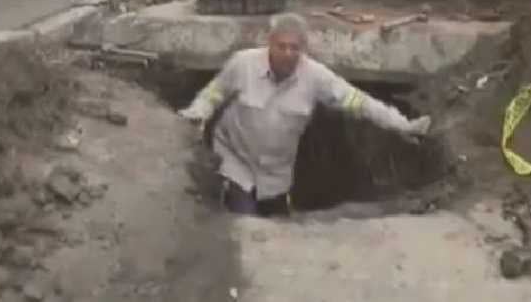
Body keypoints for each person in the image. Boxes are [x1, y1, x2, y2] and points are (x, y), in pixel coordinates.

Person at [178, 13, 432, 217]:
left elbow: (358, 101)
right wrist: (196, 113)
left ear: (303, 49)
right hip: (236, 162)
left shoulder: (316, 77)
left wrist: (403, 125)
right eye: (282, 46)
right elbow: (214, 93)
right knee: (245, 224)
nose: (288, 53)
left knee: (277, 232)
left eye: (294, 48)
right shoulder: (243, 64)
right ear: (270, 43)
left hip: (276, 177)